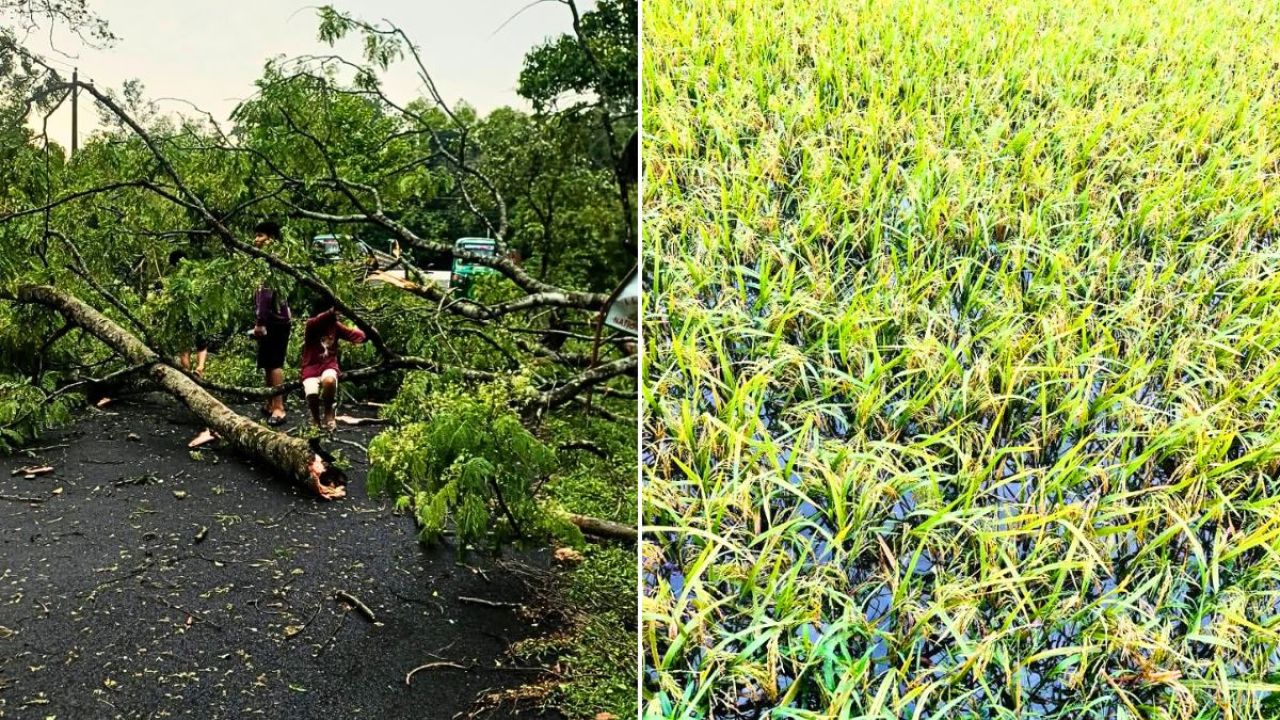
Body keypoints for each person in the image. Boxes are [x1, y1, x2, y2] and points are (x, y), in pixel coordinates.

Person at [300, 297, 366, 431]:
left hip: (328, 364)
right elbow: (320, 319)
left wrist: (368, 334)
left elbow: (353, 334)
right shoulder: (311, 324)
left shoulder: (335, 326)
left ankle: (328, 412)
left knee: (329, 381)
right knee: (312, 393)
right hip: (311, 367)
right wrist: (334, 309)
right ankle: (316, 420)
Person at [251, 220, 292, 426]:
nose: (256, 240)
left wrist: (260, 323)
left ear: (272, 239)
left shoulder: (273, 263)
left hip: (276, 321)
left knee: (274, 363)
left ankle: (279, 407)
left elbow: (267, 296)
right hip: (270, 320)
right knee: (267, 363)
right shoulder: (265, 261)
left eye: (261, 236)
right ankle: (270, 403)